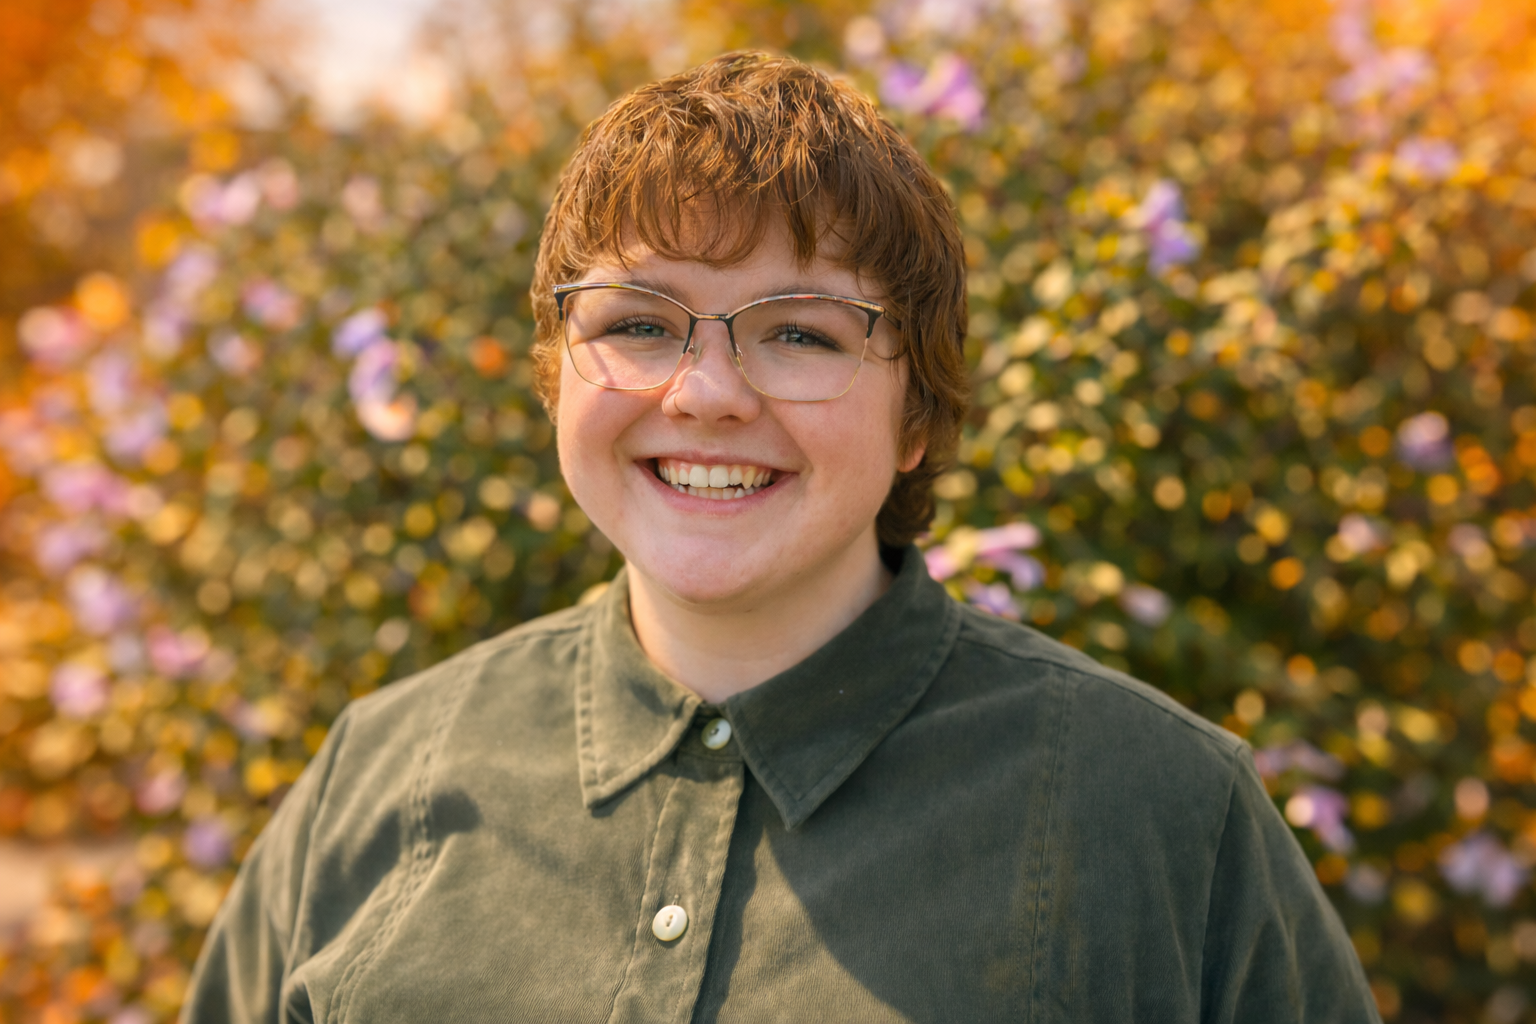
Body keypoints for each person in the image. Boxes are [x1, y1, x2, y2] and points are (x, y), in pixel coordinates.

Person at [183, 51, 1381, 1023]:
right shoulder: (377, 776)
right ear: (554, 377)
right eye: (640, 323)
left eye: (800, 333)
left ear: (918, 410)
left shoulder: (1163, 815)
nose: (705, 393)